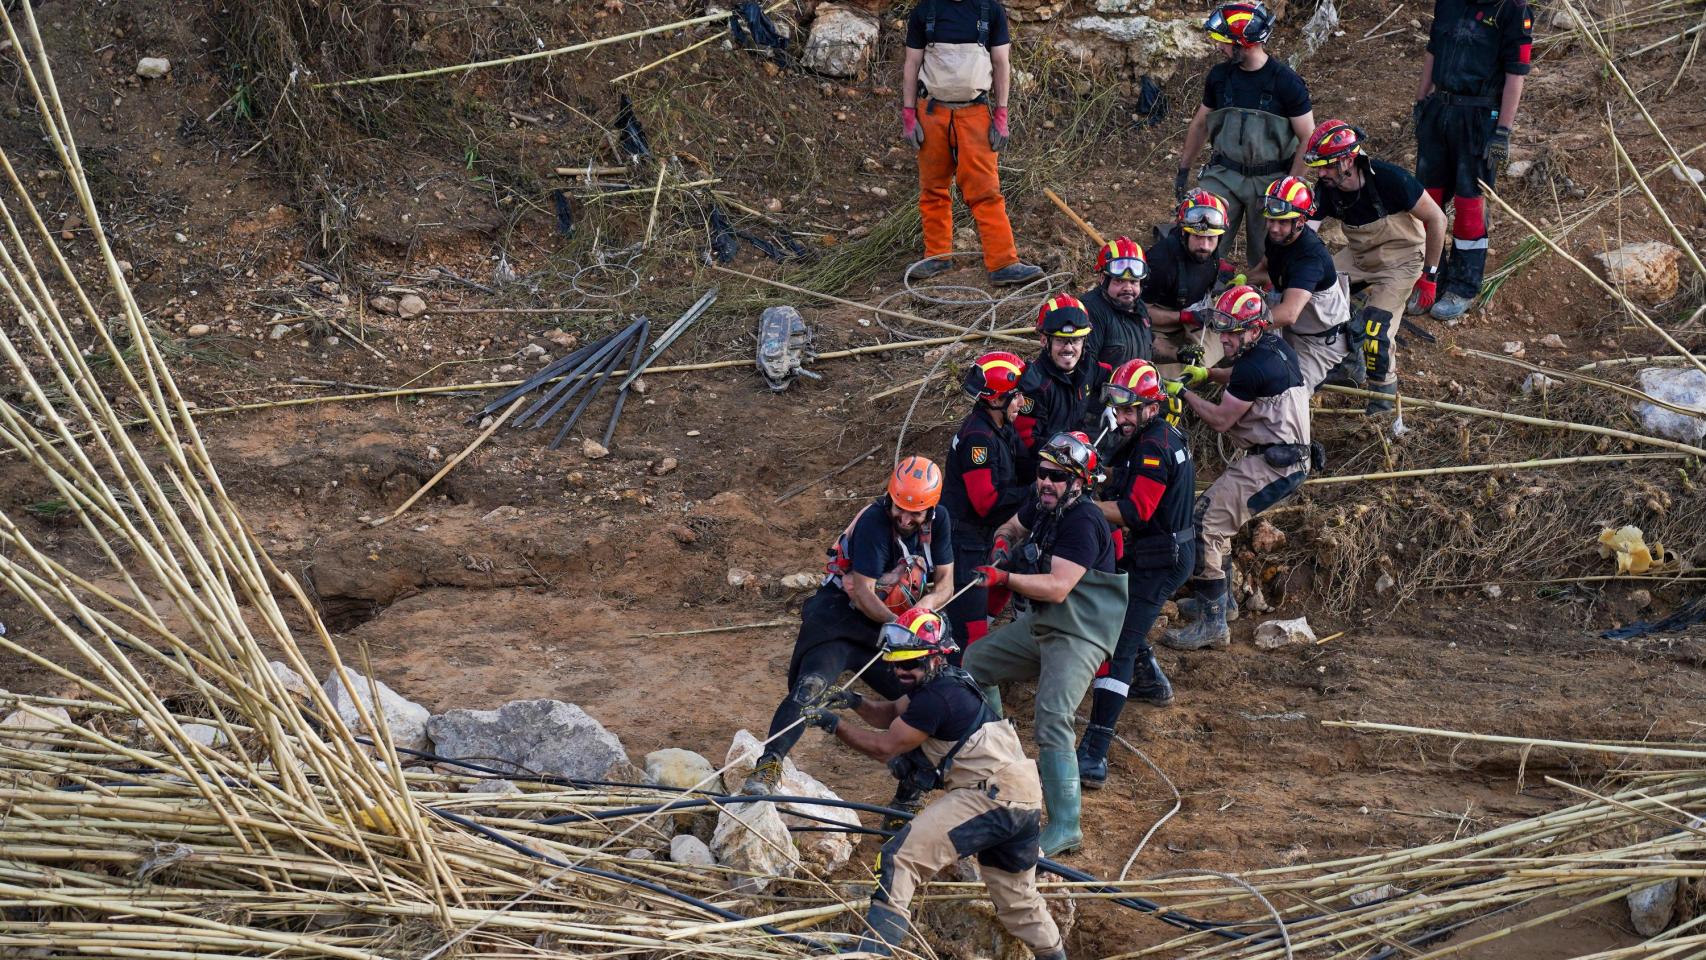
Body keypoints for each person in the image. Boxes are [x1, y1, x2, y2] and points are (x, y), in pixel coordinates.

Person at [799, 608, 1065, 960]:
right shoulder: (945, 683)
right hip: (1024, 799)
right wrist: (853, 701)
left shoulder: (936, 699)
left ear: (936, 658)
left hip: (990, 796)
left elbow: (884, 748)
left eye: (909, 664)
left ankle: (875, 952)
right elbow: (891, 713)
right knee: (1018, 899)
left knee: (899, 858)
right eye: (896, 663)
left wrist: (834, 724)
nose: (900, 671)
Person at [743, 457, 956, 794]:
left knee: (925, 699)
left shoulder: (939, 521)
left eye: (915, 514)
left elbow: (946, 584)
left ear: (930, 509)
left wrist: (922, 611)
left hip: (894, 627)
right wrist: (900, 627)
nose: (905, 519)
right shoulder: (874, 522)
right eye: (900, 509)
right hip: (842, 617)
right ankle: (768, 765)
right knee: (811, 686)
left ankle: (909, 796)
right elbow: (863, 593)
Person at [963, 432, 1127, 855]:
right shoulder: (1044, 503)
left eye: (1057, 476)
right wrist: (1003, 543)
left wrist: (1004, 577)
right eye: (1042, 473)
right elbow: (1011, 526)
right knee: (976, 664)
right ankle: (1001, 763)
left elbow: (1057, 587)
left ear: (1079, 483)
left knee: (1053, 717)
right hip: (1045, 623)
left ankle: (1066, 825)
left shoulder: (1084, 521)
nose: (1046, 482)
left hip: (1081, 632)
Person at [1162, 287, 1310, 651]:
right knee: (1218, 520)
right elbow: (1240, 377)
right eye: (1222, 330)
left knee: (1205, 523)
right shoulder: (1272, 347)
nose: (1224, 338)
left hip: (1274, 464)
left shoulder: (1253, 365)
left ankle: (1212, 622)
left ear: (1254, 329)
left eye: (1232, 332)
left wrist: (1183, 393)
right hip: (1282, 456)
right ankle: (1223, 603)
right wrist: (1208, 374)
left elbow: (1219, 420)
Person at [1078, 361, 1195, 788]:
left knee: (1119, 647)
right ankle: (1150, 683)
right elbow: (1129, 479)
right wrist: (1097, 474)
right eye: (1118, 408)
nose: (1121, 417)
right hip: (1156, 551)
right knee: (1122, 617)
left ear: (1151, 408)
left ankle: (1094, 753)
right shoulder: (1155, 437)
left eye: (1129, 409)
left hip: (1161, 557)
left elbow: (1135, 510)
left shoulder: (1152, 447)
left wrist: (1082, 506)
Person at [1305, 120, 1448, 413]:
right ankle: (1348, 366)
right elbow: (1306, 233)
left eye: (1327, 166)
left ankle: (1382, 402)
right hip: (1360, 256)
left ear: (1347, 160)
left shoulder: (1391, 179)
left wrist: (1429, 275)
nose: (1321, 173)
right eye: (1318, 167)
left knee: (1376, 331)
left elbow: (1437, 219)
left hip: (1402, 261)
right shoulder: (1327, 188)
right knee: (1315, 295)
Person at [902, 0, 1044, 286]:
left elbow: (1001, 63)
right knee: (933, 189)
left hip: (975, 112)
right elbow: (912, 63)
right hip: (931, 113)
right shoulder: (925, 11)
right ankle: (937, 257)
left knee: (986, 191)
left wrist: (1001, 114)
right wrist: (908, 114)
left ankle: (1003, 263)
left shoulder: (990, 11)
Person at [1412, 0, 1532, 319]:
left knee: (1469, 205)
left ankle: (1463, 286)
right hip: (1439, 111)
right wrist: (1421, 102)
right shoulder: (1448, 2)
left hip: (1479, 118)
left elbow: (1515, 75)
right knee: (1426, 201)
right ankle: (1431, 277)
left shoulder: (1513, 10)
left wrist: (1503, 131)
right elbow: (1433, 51)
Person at [1176, 1, 1316, 265]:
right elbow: (1200, 125)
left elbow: (1308, 137)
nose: (1219, 47)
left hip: (1270, 180)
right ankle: (1201, 284)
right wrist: (1184, 170)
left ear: (1245, 44)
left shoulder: (1286, 82)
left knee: (1270, 257)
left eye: (1224, 42)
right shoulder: (1219, 76)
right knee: (1198, 235)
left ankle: (1257, 289)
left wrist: (1290, 187)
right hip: (1224, 174)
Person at [943, 352, 1030, 653]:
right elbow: (986, 503)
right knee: (971, 632)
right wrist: (1033, 493)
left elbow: (1026, 465)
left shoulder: (1001, 427)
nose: (1022, 402)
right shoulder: (978, 439)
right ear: (996, 399)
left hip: (984, 536)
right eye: (1016, 396)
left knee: (1003, 585)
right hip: (965, 543)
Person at [1247, 176, 1352, 390]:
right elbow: (1264, 268)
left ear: (1301, 221)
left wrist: (1245, 325)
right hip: (1289, 330)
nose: (1274, 228)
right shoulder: (1278, 238)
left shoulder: (1310, 258)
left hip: (1318, 343)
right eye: (1270, 220)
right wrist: (1241, 283)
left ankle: (1341, 366)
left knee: (1286, 393)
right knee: (1251, 374)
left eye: (1283, 222)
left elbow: (1288, 313)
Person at [1013, 296, 1110, 479]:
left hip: (1075, 465)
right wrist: (1071, 452)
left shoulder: (1087, 366)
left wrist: (1113, 403)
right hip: (1042, 476)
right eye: (1060, 340)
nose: (1069, 348)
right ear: (1044, 341)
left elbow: (1112, 375)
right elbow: (1026, 441)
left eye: (1076, 340)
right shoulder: (1035, 385)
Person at [1147, 189, 1238, 367]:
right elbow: (1140, 312)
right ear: (1184, 233)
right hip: (1161, 319)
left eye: (1211, 238)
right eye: (1197, 237)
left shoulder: (1210, 245)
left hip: (1198, 310)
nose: (1204, 245)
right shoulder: (1161, 263)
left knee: (1225, 344)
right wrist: (1184, 317)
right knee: (1189, 366)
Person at [1080, 237, 1153, 369]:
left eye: (1134, 282)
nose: (1128, 288)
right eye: (1119, 281)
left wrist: (1178, 353)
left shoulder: (1138, 306)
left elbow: (1150, 345)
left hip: (1139, 380)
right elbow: (1085, 369)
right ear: (1103, 279)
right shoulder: (1090, 311)